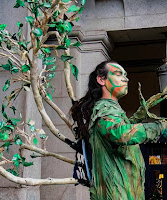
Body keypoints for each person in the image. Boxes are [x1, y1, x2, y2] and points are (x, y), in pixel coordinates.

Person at [71, 61, 167, 200]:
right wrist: (159, 128)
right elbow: (118, 134)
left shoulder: (111, 110)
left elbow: (118, 138)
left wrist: (137, 118)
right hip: (116, 194)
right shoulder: (104, 109)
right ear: (101, 79)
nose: (125, 78)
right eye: (118, 74)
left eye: (126, 75)